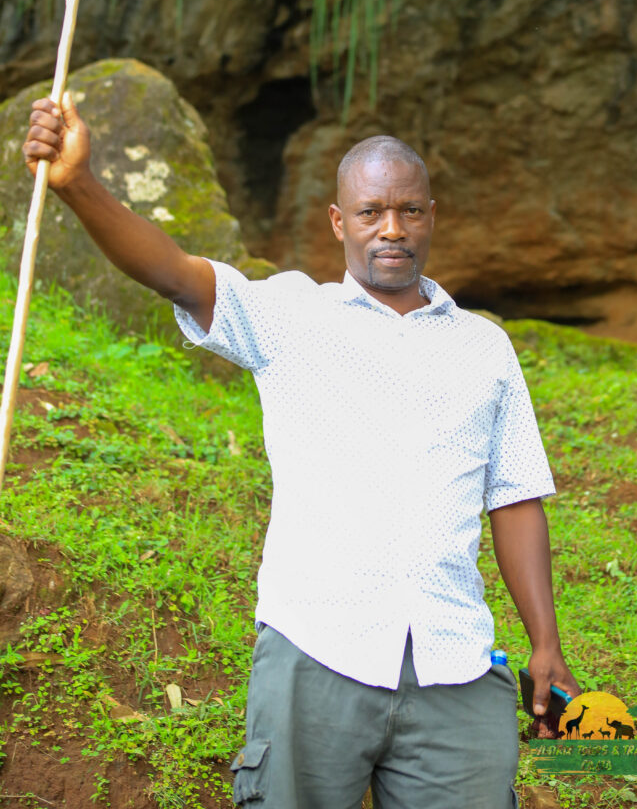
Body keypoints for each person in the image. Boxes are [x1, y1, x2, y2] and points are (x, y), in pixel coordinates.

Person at [24, 93, 580, 808]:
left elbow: (515, 498)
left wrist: (544, 642)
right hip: (317, 647)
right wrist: (77, 183)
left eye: (409, 210)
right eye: (371, 212)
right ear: (339, 222)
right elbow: (174, 272)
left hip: (455, 665)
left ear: (431, 217)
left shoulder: (485, 348)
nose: (392, 228)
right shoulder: (290, 314)